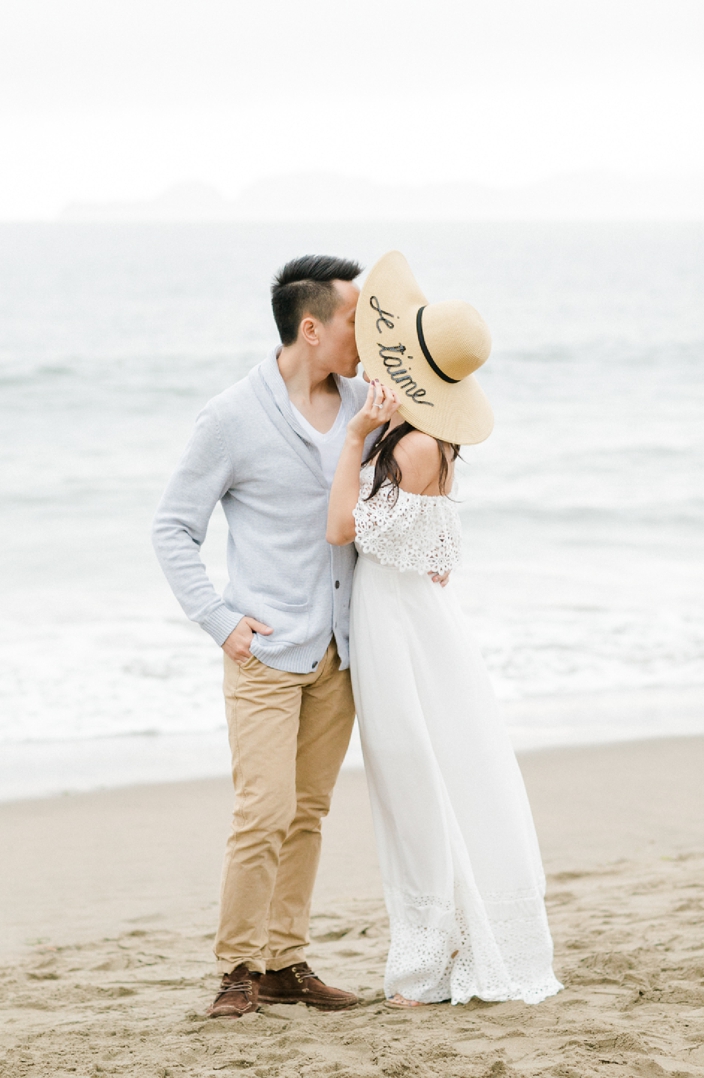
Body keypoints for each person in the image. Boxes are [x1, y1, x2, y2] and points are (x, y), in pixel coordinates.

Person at [325, 250, 561, 1007]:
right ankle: (438, 950)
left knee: (417, 784)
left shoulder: (417, 446)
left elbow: (340, 528)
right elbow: (437, 553)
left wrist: (357, 433)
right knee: (416, 781)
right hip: (407, 624)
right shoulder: (423, 440)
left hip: (403, 636)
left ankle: (429, 966)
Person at [152, 255, 369, 1018]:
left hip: (342, 648)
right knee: (264, 811)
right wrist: (219, 619)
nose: (364, 333)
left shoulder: (364, 399)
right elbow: (174, 527)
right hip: (267, 650)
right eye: (354, 320)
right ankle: (238, 966)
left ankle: (286, 960)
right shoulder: (231, 416)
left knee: (309, 812)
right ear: (311, 329)